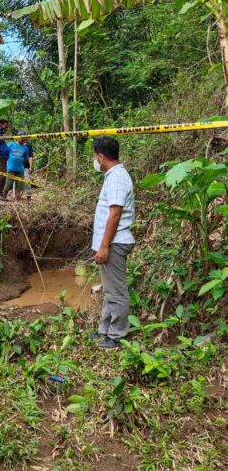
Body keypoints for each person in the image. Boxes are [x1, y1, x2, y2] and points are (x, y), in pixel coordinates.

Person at [91, 136, 135, 349]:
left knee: (116, 291)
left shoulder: (117, 177)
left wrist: (104, 245)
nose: (95, 160)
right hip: (112, 242)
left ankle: (117, 335)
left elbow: (115, 214)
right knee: (110, 289)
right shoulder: (113, 176)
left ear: (100, 156)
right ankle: (105, 331)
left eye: (95, 156)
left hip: (115, 243)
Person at [2, 132, 30, 201]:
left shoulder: (25, 148)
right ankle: (3, 198)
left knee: (19, 186)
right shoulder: (11, 144)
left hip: (20, 169)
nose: (22, 139)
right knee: (8, 185)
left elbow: (26, 158)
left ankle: (17, 200)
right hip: (11, 169)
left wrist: (22, 161)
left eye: (23, 137)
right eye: (20, 137)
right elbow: (5, 152)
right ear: (17, 137)